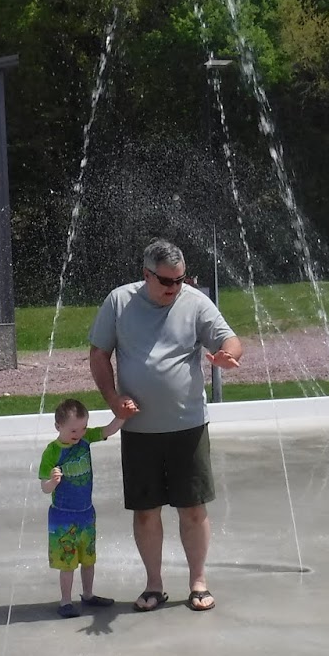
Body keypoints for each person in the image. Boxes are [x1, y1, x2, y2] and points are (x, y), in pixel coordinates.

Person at [88, 238, 243, 613]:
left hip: (187, 426)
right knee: (146, 511)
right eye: (167, 281)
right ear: (146, 275)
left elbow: (230, 339)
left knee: (193, 508)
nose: (175, 288)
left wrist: (227, 357)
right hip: (139, 430)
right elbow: (98, 354)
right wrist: (113, 401)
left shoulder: (193, 301)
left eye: (180, 280)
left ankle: (198, 581)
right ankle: (154, 584)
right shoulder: (120, 302)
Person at [38, 398, 125, 617]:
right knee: (67, 563)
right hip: (63, 517)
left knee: (88, 559)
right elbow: (44, 489)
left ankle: (88, 594)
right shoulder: (52, 452)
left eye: (83, 428)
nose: (79, 433)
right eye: (74, 430)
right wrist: (52, 482)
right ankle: (65, 601)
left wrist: (123, 415)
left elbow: (108, 430)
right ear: (58, 426)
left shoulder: (85, 439)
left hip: (86, 513)